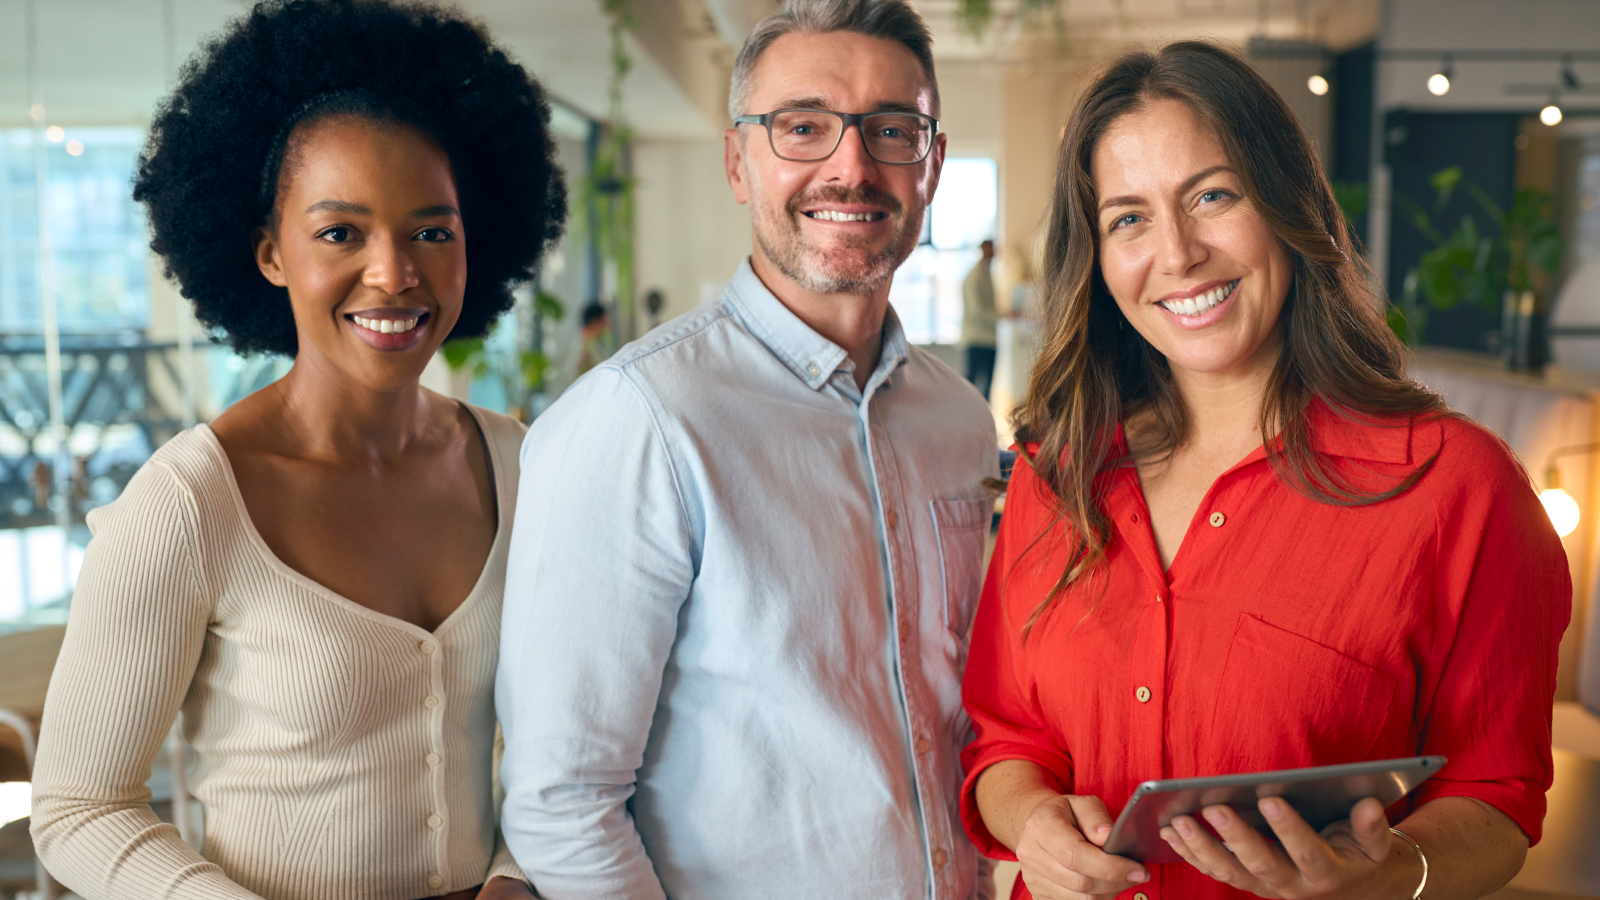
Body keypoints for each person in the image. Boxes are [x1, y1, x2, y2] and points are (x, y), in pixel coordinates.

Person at [960, 41, 1569, 900]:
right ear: (1096, 259)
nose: (1176, 255)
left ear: (1287, 204)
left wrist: (1394, 874)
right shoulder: (1055, 474)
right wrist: (1033, 825)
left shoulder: (1458, 489)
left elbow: (1496, 797)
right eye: (1128, 218)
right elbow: (1004, 739)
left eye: (1212, 195)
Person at [29, 2, 565, 899]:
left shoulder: (526, 468)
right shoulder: (191, 503)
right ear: (270, 253)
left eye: (433, 230)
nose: (394, 272)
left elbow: (561, 737)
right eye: (340, 232)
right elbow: (80, 807)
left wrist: (513, 875)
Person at [496, 1, 997, 898]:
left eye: (892, 130)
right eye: (802, 127)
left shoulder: (958, 420)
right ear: (738, 162)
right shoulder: (637, 421)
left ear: (933, 167)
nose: (851, 166)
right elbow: (561, 803)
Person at [961, 239, 998, 398]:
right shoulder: (975, 276)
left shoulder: (985, 273)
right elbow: (977, 311)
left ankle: (983, 418)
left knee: (987, 382)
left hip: (988, 337)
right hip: (977, 337)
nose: (993, 252)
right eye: (990, 249)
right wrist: (1001, 316)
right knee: (972, 382)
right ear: (983, 249)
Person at [574, 301, 615, 376]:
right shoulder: (587, 347)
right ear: (595, 322)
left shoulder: (590, 342)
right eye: (604, 320)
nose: (607, 325)